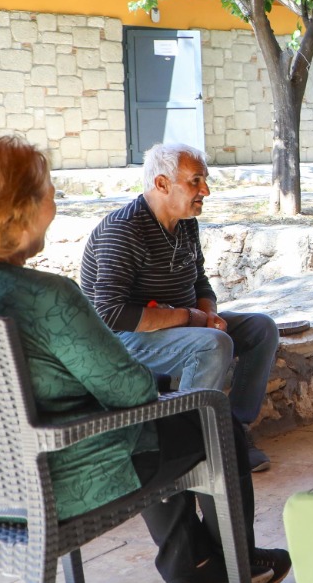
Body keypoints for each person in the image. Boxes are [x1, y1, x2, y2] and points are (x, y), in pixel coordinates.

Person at [0, 136, 290, 583]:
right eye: (48, 191)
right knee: (211, 425)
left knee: (163, 426)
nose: (56, 201)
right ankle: (234, 563)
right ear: (19, 211)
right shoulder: (49, 297)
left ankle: (193, 566)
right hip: (56, 482)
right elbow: (132, 389)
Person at [80, 143, 279, 472]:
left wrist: (208, 312)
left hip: (176, 327)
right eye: (195, 181)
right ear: (161, 184)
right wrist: (191, 318)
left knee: (262, 329)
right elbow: (110, 314)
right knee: (214, 345)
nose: (206, 191)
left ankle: (233, 428)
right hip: (123, 340)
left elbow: (199, 279)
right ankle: (189, 446)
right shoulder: (123, 229)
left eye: (205, 180)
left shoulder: (186, 223)